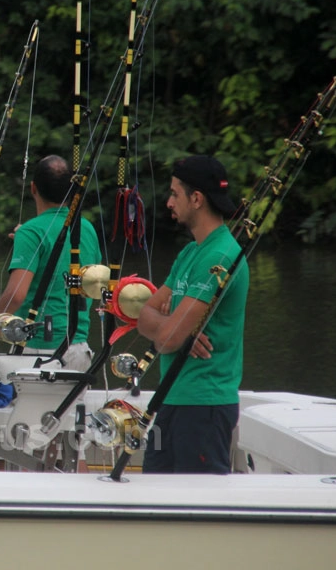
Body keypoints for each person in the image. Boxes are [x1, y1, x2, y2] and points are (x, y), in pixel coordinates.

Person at [136, 154, 249, 474]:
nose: (169, 201)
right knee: (155, 505)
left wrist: (171, 331)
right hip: (172, 398)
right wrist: (171, 328)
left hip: (204, 406)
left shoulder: (221, 256)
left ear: (196, 198)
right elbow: (144, 315)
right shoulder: (191, 252)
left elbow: (169, 338)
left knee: (199, 509)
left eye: (175, 193)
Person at [0, 154, 101, 370]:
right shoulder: (86, 228)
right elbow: (92, 285)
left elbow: (16, 295)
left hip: (38, 352)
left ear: (33, 188)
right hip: (79, 349)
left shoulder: (31, 232)